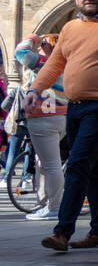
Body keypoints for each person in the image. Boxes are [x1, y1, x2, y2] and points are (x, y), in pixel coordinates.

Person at [29, 0, 98, 250]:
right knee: (92, 169)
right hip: (75, 106)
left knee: (79, 164)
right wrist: (35, 89)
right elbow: (55, 63)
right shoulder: (69, 27)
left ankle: (62, 231)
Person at [13, 34, 66, 222]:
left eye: (43, 45)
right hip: (61, 116)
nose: (39, 48)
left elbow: (20, 52)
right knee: (44, 162)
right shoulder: (67, 63)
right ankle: (45, 202)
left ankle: (54, 207)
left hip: (44, 117)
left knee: (50, 164)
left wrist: (33, 37)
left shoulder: (44, 62)